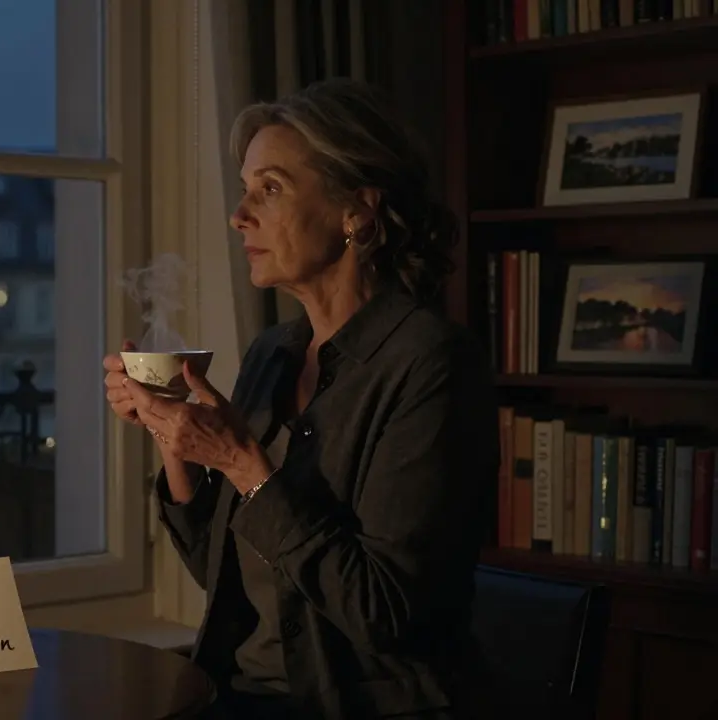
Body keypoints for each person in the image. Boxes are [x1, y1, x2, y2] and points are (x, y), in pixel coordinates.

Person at [103, 78, 498, 719]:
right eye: (244, 189)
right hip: (240, 697)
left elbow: (384, 612)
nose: (239, 215)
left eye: (271, 189)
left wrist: (240, 462)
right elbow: (225, 577)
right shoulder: (273, 354)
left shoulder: (431, 364)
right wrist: (172, 434)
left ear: (356, 213)